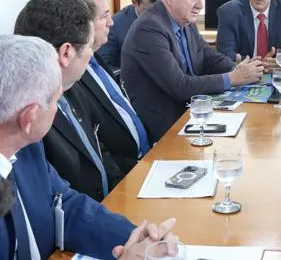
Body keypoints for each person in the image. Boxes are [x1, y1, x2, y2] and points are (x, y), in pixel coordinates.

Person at [0, 34, 177, 260]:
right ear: (29, 118)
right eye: (56, 101)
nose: (58, 110)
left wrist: (137, 238)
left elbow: (65, 204)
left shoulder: (27, 149)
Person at [121, 0, 264, 143]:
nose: (200, 5)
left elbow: (208, 57)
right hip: (165, 127)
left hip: (192, 113)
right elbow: (179, 85)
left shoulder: (185, 20)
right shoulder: (149, 28)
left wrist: (238, 69)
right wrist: (232, 78)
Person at [14, 0, 122, 200]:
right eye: (90, 45)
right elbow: (59, 197)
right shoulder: (30, 116)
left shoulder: (73, 87)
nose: (91, 54)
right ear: (66, 53)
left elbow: (96, 147)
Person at [53, 0, 149, 176]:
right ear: (80, 21)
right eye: (104, 16)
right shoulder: (70, 76)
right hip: (125, 174)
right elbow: (97, 149)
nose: (111, 23)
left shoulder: (96, 56)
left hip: (144, 158)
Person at [98, 0, 162, 70]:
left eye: (160, 8)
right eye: (149, 9)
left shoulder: (169, 15)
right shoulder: (115, 25)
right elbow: (105, 66)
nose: (156, 14)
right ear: (135, 3)